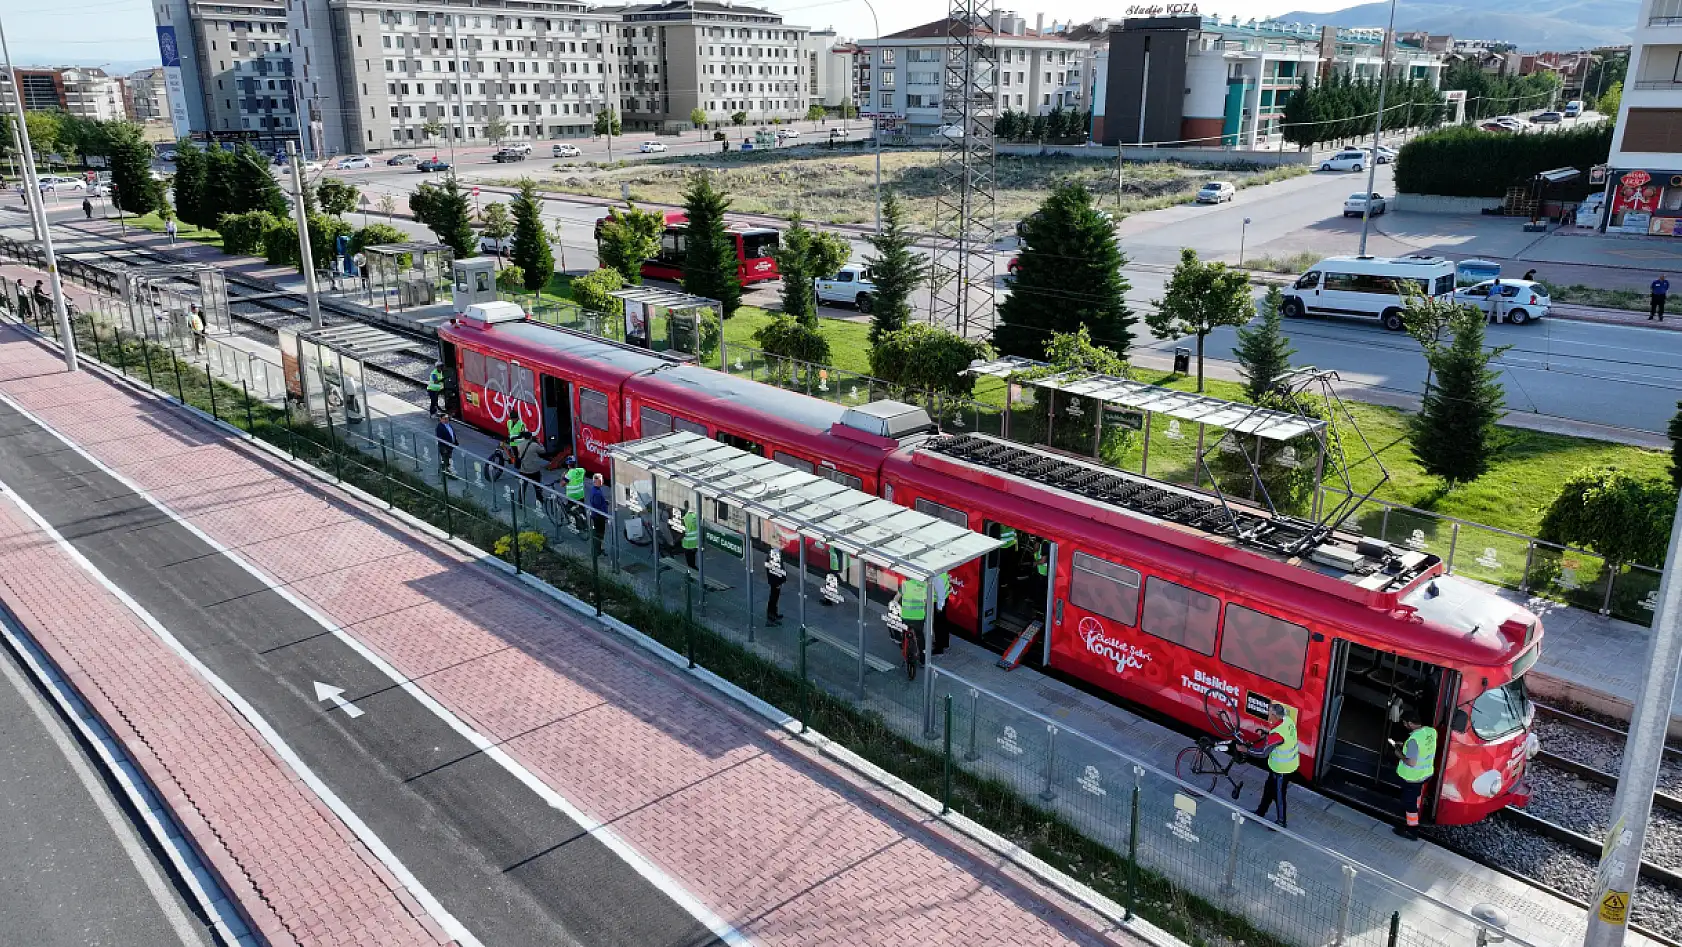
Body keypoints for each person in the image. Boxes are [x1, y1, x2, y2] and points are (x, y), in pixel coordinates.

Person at [1391, 710, 1438, 839]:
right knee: (1415, 795)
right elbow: (1422, 748)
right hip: (1426, 773)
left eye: (1405, 723)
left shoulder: (1413, 740)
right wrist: (1405, 745)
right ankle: (1414, 811)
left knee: (1409, 802)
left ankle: (1412, 831)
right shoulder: (1430, 731)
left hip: (1413, 777)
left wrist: (1399, 754)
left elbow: (1411, 762)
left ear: (1411, 723)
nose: (1404, 725)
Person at [1251, 703, 1299, 827]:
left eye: (1269, 713)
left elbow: (1262, 753)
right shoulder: (1287, 721)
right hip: (1287, 765)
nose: (1268, 715)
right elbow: (1278, 740)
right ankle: (1260, 812)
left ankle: (1281, 822)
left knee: (1279, 795)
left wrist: (1245, 750)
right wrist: (1267, 735)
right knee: (1269, 789)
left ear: (1274, 715)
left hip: (1282, 769)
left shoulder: (1278, 733)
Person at [586, 473, 610, 555]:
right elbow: (597, 506)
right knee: (600, 533)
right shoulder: (597, 493)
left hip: (597, 515)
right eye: (601, 479)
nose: (603, 481)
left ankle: (598, 549)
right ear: (597, 481)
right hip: (599, 516)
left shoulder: (595, 490)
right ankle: (598, 550)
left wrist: (604, 502)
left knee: (599, 533)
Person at [562, 455, 588, 533]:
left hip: (572, 496)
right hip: (581, 494)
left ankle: (576, 524)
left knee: (569, 509)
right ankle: (586, 523)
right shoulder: (582, 470)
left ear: (568, 464)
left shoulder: (568, 474)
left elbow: (562, 484)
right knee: (582, 508)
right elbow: (582, 477)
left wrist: (562, 477)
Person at [764, 547, 787, 625]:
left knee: (775, 598)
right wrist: (778, 582)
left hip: (775, 582)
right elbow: (775, 572)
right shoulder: (773, 560)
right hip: (775, 582)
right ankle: (771, 618)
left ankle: (774, 614)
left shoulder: (772, 558)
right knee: (773, 598)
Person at [680, 502, 699, 569]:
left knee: (689, 561)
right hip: (695, 542)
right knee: (693, 558)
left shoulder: (684, 517)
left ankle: (691, 572)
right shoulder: (696, 516)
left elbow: (682, 529)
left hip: (687, 543)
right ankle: (693, 570)